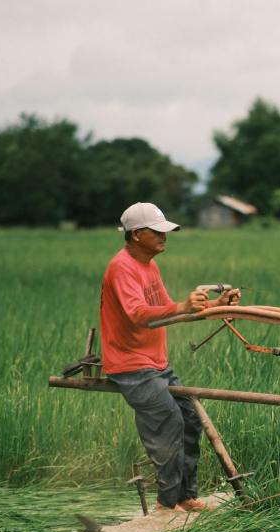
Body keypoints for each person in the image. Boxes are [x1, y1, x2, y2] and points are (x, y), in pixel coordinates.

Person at [99, 202, 239, 513]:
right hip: (132, 365)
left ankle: (185, 497)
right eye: (157, 231)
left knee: (189, 419)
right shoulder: (122, 267)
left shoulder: (149, 266)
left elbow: (170, 311)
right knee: (169, 422)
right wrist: (181, 307)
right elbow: (137, 314)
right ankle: (166, 505)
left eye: (166, 231)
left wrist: (218, 304)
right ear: (137, 234)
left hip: (156, 364)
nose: (164, 236)